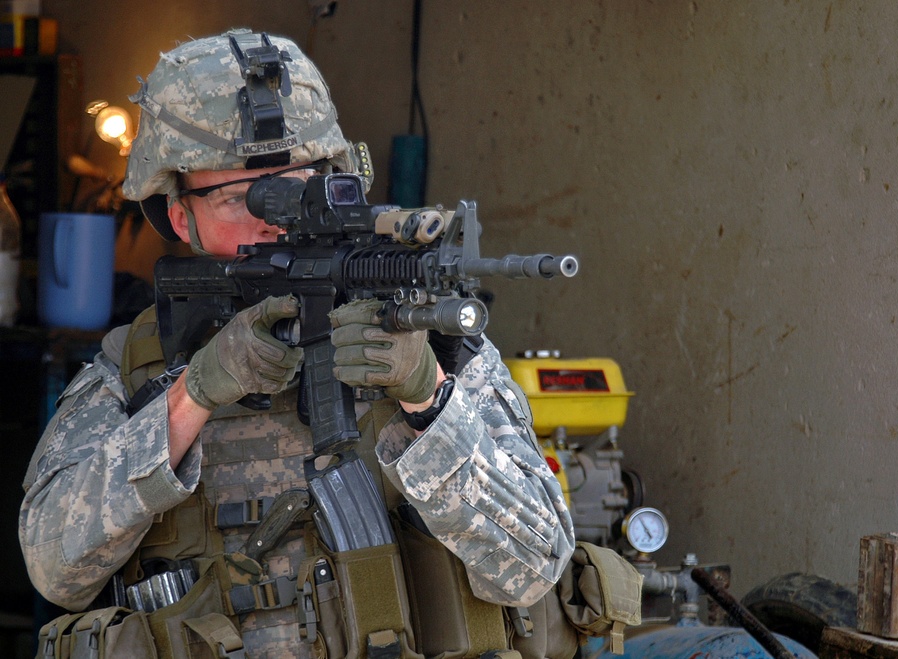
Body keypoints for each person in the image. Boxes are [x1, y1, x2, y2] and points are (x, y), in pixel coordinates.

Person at [20, 29, 574, 658]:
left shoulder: (435, 345)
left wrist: (430, 402)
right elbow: (54, 568)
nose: (274, 217)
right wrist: (192, 395)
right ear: (180, 216)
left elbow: (536, 565)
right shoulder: (136, 364)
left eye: (298, 187)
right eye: (237, 197)